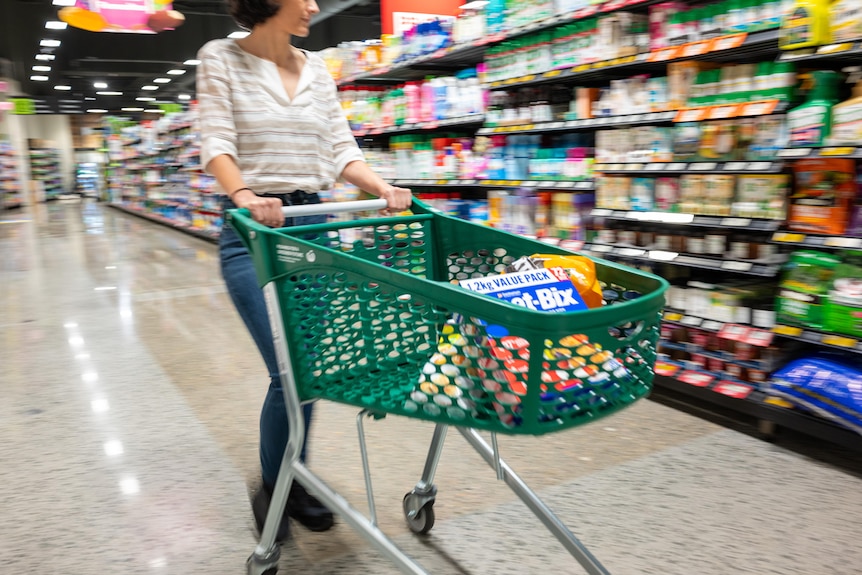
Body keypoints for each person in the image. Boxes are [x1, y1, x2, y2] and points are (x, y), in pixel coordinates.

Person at [196, 0, 413, 541]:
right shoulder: (219, 57)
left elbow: (341, 149)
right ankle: (281, 483)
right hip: (253, 231)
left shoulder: (316, 68)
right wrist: (244, 193)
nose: (315, 5)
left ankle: (285, 478)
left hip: (311, 228)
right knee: (288, 367)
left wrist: (382, 187)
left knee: (307, 372)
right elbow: (216, 142)